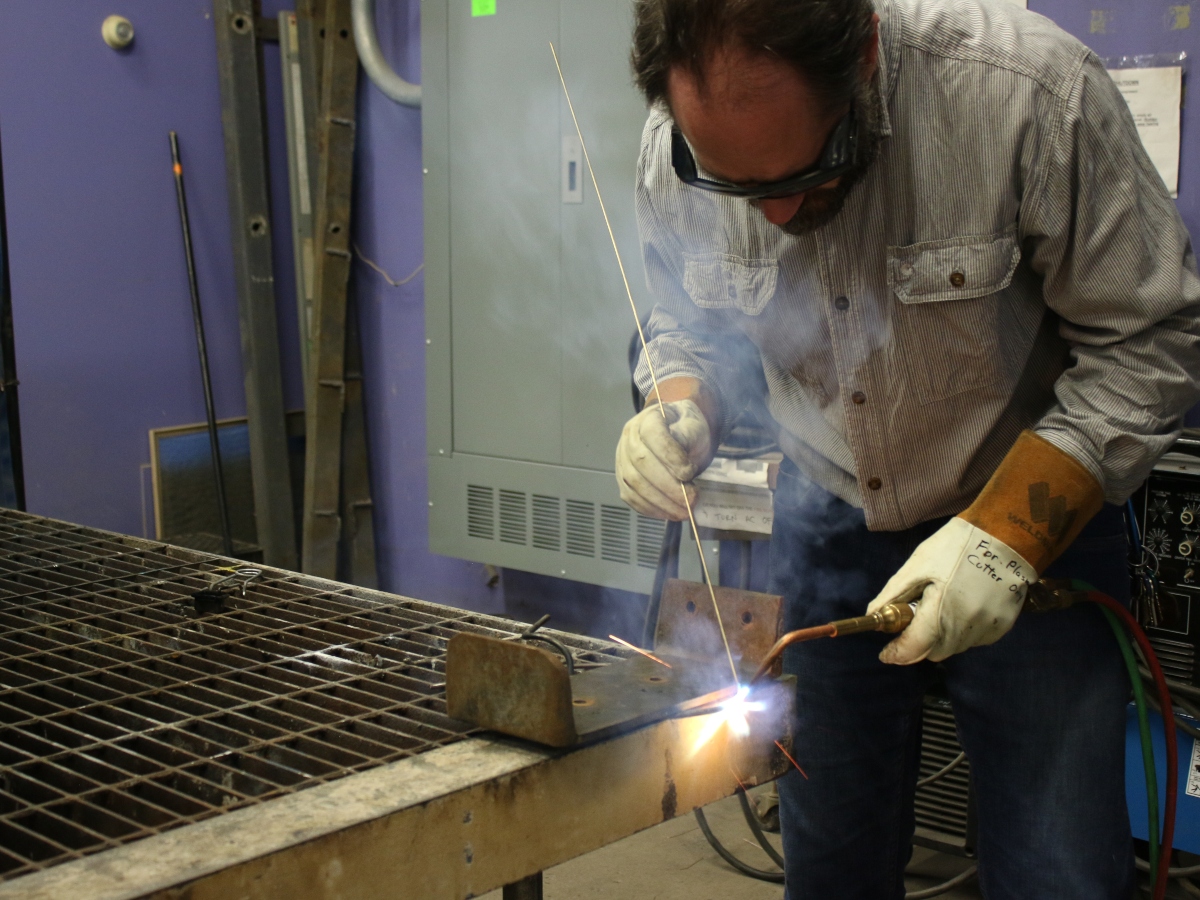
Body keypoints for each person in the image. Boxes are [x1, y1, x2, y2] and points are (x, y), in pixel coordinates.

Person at [613, 0, 1200, 896]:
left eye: (806, 173)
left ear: (866, 56)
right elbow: (689, 323)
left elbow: (1150, 341)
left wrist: (1007, 532)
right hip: (825, 516)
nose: (773, 217)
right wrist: (679, 403)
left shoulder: (1030, 95)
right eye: (739, 188)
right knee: (831, 857)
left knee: (1060, 871)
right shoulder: (674, 145)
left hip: (1033, 517)